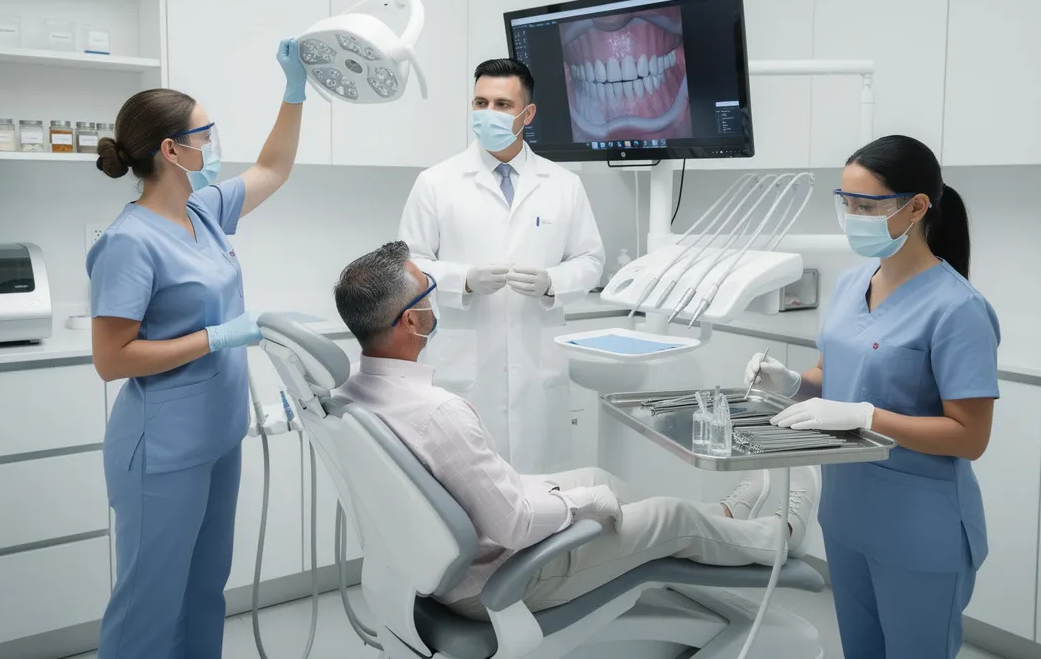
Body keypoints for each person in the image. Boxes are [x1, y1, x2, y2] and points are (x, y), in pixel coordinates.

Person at [331, 241, 820, 620]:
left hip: (450, 564)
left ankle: (727, 515)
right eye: (429, 293)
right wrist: (579, 505)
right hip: (500, 579)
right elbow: (515, 526)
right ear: (414, 321)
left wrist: (576, 493)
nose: (437, 301)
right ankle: (777, 537)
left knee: (595, 476)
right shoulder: (438, 413)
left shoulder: (355, 394)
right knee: (667, 515)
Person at [86, 40, 310, 659]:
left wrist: (294, 93)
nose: (212, 145)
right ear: (171, 150)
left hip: (216, 435)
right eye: (204, 135)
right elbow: (111, 360)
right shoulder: (130, 243)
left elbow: (273, 169)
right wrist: (217, 336)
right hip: (162, 448)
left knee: (204, 592)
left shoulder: (203, 213)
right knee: (150, 605)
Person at [743, 135, 998, 658]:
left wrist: (866, 415)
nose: (853, 216)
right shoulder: (851, 284)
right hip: (847, 517)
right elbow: (830, 374)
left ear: (917, 207)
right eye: (847, 203)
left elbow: (970, 436)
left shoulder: (958, 309)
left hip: (920, 530)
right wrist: (790, 383)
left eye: (867, 206)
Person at [398, 58, 605, 474]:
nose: (487, 113)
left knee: (543, 497)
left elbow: (590, 261)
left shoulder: (563, 185)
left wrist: (552, 282)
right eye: (480, 102)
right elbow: (408, 267)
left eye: (502, 104)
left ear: (527, 114)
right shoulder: (436, 182)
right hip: (465, 370)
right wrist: (463, 279)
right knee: (467, 497)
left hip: (536, 370)